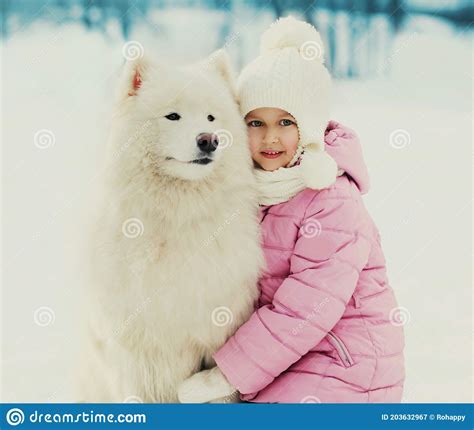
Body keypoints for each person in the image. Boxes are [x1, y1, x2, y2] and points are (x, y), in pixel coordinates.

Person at [178, 15, 405, 403]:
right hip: (285, 358)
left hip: (345, 361)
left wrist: (226, 375)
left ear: (311, 125)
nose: (270, 138)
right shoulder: (250, 188)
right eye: (255, 122)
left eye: (286, 121)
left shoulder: (331, 199)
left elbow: (307, 309)